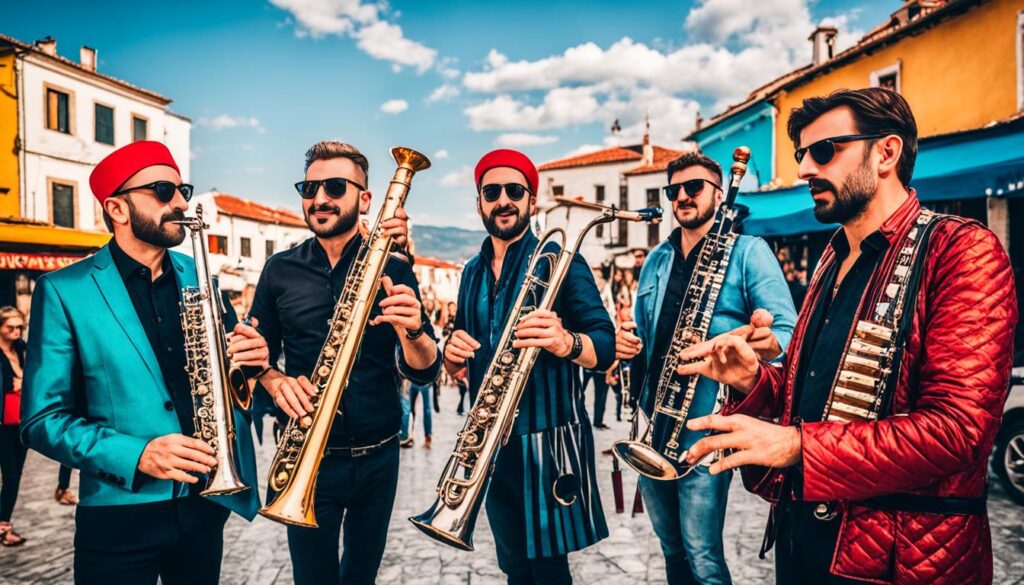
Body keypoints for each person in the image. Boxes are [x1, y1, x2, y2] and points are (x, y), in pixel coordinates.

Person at [679, 88, 1018, 584]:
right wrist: (753, 380)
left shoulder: (961, 250)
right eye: (802, 155)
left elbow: (958, 432)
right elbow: (814, 401)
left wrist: (798, 446)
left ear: (886, 152)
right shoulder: (832, 259)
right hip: (807, 546)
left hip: (900, 563)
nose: (804, 171)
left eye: (824, 151)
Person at [22, 141, 268, 584]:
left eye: (182, 189)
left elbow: (230, 385)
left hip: (204, 506)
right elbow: (42, 419)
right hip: (119, 517)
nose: (180, 202)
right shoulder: (62, 290)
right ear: (117, 208)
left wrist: (252, 367)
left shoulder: (203, 277)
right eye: (162, 191)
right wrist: (137, 454)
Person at [250, 141, 440, 585]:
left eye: (334, 187)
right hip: (306, 458)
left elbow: (426, 369)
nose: (319, 199)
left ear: (365, 198)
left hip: (379, 456)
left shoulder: (394, 266)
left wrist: (412, 331)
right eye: (309, 187)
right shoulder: (278, 270)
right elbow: (252, 360)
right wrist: (275, 381)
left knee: (361, 576)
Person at [614, 152, 797, 585]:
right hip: (653, 424)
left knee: (703, 557)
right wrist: (628, 342)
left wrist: (758, 341)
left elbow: (788, 334)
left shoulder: (749, 251)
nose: (682, 197)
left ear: (719, 192)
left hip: (705, 430)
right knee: (672, 550)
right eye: (673, 190)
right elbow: (644, 331)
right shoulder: (656, 259)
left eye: (693, 187)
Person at [443, 149, 614, 584]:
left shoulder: (561, 261)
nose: (503, 200)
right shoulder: (470, 273)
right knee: (514, 568)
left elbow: (606, 345)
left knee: (550, 571)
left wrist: (566, 341)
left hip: (549, 441)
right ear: (479, 201)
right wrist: (452, 353)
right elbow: (462, 347)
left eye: (514, 191)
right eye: (492, 191)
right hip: (491, 448)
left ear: (531, 201)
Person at [0, 306, 28, 546]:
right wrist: (14, 382)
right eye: (11, 327)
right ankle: (3, 527)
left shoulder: (21, 349)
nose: (17, 331)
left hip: (18, 421)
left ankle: (3, 524)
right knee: (9, 475)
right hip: (2, 422)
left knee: (14, 475)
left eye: (20, 326)